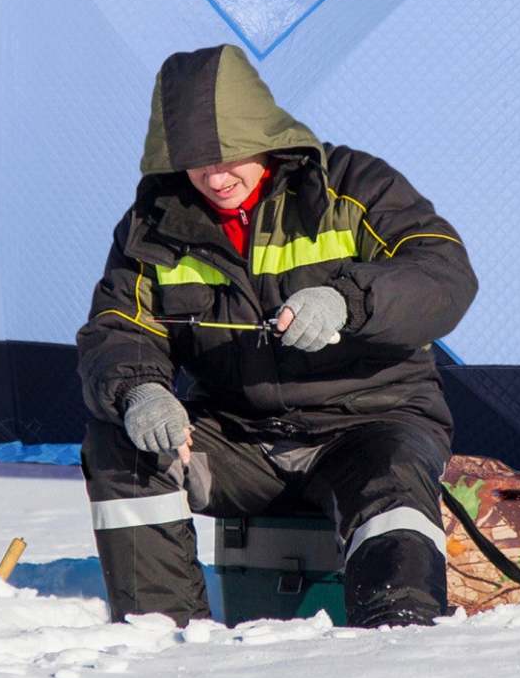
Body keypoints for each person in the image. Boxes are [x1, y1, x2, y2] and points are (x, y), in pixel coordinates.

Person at [76, 43, 477, 629]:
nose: (216, 176)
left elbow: (443, 276)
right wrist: (141, 390)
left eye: (231, 154)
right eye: (194, 160)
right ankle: (162, 637)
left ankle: (399, 636)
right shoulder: (152, 223)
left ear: (265, 134)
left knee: (390, 476)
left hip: (370, 423)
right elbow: (118, 324)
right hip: (241, 440)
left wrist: (347, 301)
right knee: (123, 443)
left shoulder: (354, 184)